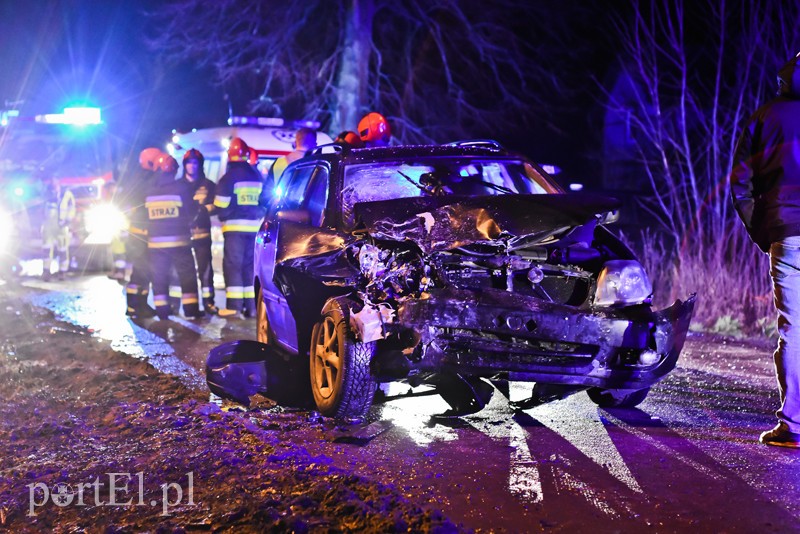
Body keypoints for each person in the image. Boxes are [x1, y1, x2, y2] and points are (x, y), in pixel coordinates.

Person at [731, 51, 800, 448]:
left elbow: (741, 184)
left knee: (794, 329)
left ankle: (794, 425)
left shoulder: (764, 117)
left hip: (786, 234)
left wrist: (764, 232)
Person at [214, 137, 266, 318]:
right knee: (249, 267)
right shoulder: (257, 176)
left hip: (234, 230)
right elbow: (265, 202)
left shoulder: (228, 178)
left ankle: (234, 307)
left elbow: (220, 206)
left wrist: (225, 215)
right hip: (255, 229)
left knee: (233, 266)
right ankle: (251, 308)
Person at [145, 154, 201, 320]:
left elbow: (142, 216)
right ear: (175, 170)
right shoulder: (181, 189)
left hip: (156, 244)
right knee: (187, 275)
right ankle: (191, 310)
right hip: (180, 241)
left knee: (159, 276)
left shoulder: (149, 191)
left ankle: (162, 311)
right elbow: (192, 211)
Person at [118, 148, 161, 318]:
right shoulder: (143, 180)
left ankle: (141, 305)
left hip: (143, 231)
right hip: (139, 233)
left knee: (145, 270)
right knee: (140, 270)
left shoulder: (141, 178)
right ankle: (133, 306)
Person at [182, 148, 218, 314]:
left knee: (205, 269)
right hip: (182, 234)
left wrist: (203, 210)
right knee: (182, 270)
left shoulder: (209, 185)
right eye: (189, 163)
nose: (192, 166)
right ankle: (183, 304)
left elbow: (217, 205)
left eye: (195, 163)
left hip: (203, 233)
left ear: (200, 165)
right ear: (184, 165)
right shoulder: (178, 186)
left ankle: (208, 302)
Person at [40, 176, 76, 280]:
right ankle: (46, 271)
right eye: (51, 180)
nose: (53, 183)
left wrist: (67, 220)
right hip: (48, 225)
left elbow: (71, 208)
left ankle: (62, 272)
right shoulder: (46, 193)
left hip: (61, 225)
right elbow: (42, 207)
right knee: (46, 248)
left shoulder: (67, 194)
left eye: (55, 180)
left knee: (63, 249)